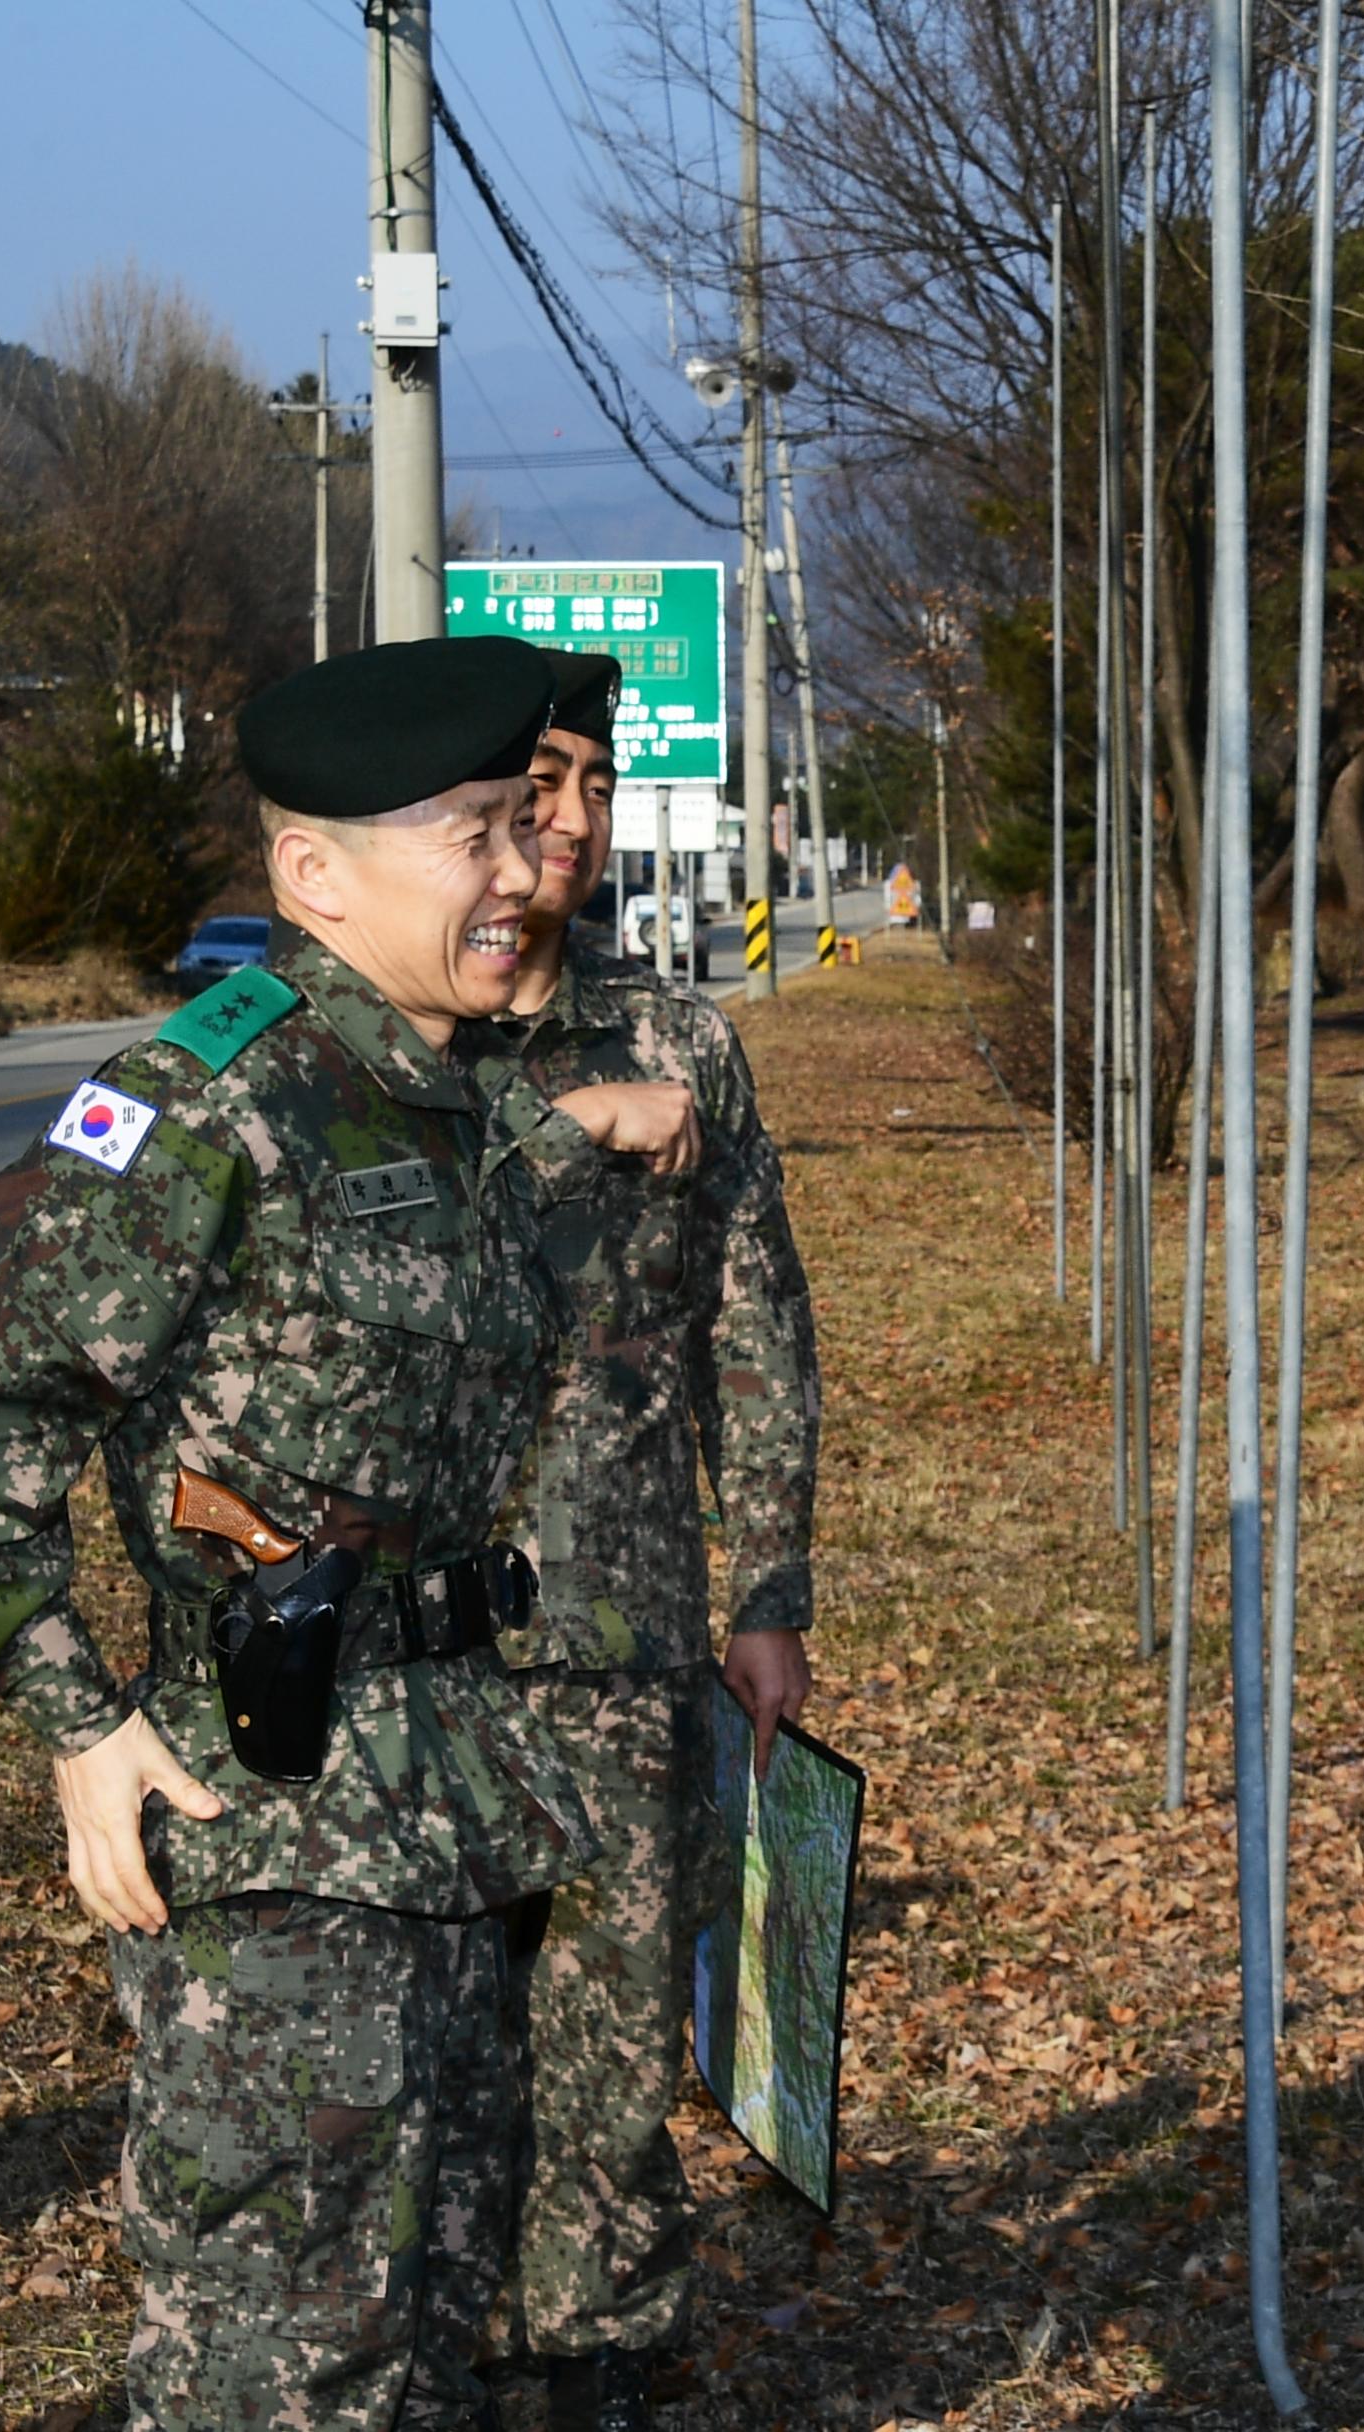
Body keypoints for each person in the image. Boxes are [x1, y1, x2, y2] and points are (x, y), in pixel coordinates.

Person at [0, 633, 700, 2432]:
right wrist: (81, 1725)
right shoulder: (202, 1107)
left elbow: (387, 1318)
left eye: (516, 826)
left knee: (435, 2317)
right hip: (271, 1829)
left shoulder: (452, 1092)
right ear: (313, 875)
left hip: (462, 1807)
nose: (515, 875)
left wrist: (585, 1141)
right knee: (281, 2345)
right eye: (469, 837)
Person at [459, 649, 822, 2432]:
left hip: (621, 1643)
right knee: (425, 2078)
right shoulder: (357, 1048)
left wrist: (765, 1595)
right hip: (403, 1676)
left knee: (610, 2078)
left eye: (597, 787)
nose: (575, 826)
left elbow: (754, 1338)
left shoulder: (681, 1038)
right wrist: (551, 1130)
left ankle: (599, 2372)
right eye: (540, 783)